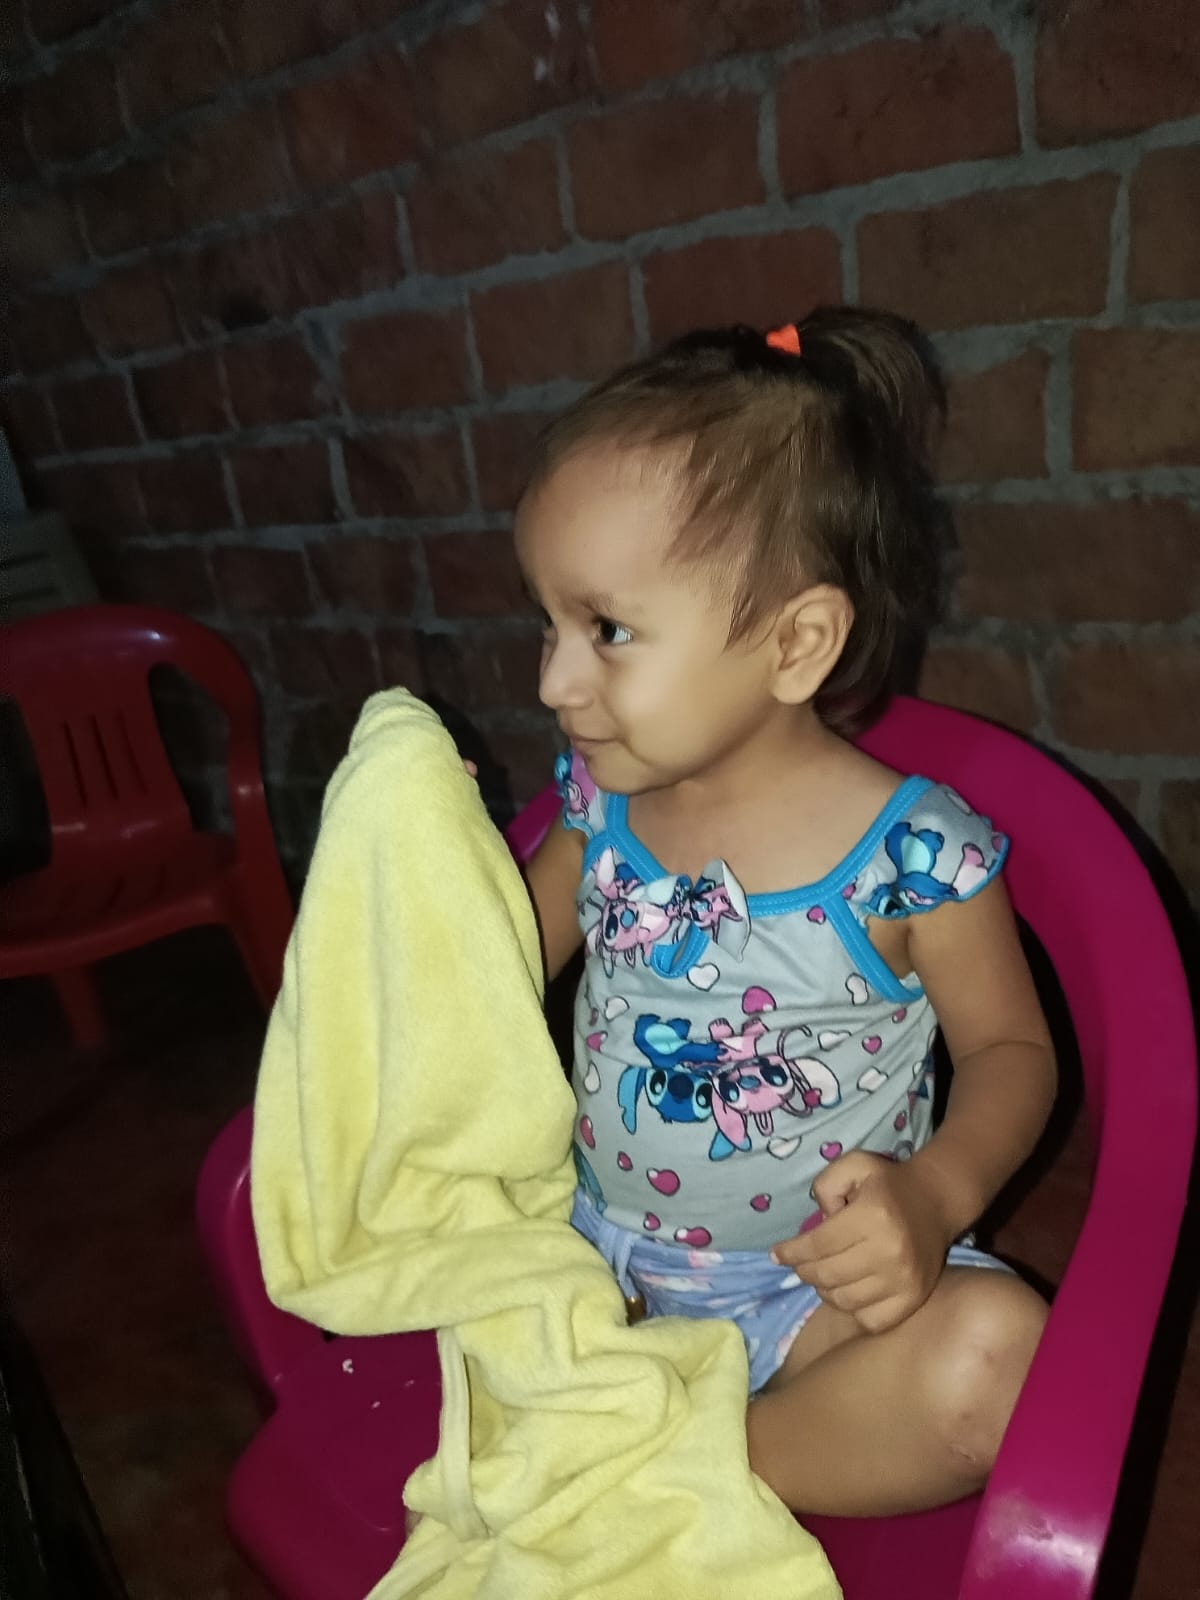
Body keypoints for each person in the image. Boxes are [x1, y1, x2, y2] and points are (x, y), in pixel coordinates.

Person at [511, 308, 1055, 1519]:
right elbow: (495, 969)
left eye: (606, 630)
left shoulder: (917, 859)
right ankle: (659, 1432)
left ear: (797, 642)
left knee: (997, 1365)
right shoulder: (600, 806)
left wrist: (934, 1198)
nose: (553, 680)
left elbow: (1015, 1053)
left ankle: (688, 1456)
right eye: (547, 622)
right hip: (588, 1264)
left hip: (810, 1304)